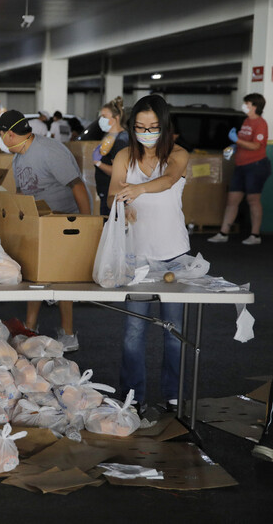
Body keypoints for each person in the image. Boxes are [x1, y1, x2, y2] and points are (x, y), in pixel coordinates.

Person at [108, 94, 190, 416]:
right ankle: (133, 396)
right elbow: (114, 190)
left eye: (153, 127)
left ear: (165, 126)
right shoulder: (123, 156)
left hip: (174, 255)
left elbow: (169, 180)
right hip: (136, 257)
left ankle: (172, 395)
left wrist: (138, 189)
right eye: (140, 127)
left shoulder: (178, 156)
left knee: (173, 333)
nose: (147, 132)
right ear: (132, 128)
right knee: (133, 333)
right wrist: (121, 204)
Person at [0, 109, 91, 351]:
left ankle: (68, 334)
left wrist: (88, 223)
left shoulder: (49, 151)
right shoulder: (19, 157)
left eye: (1, 135)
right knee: (34, 275)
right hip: (39, 222)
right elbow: (25, 193)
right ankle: (30, 327)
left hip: (64, 222)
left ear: (11, 135)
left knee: (63, 278)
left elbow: (76, 185)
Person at [208, 93, 270, 245]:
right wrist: (234, 146)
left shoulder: (260, 123)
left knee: (253, 200)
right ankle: (223, 232)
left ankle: (255, 235)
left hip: (256, 166)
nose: (244, 106)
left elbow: (256, 145)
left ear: (254, 106)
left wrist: (237, 140)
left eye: (246, 103)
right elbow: (244, 142)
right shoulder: (247, 121)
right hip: (241, 166)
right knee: (232, 199)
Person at [93, 96, 130, 215]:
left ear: (116, 118)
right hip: (106, 193)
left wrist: (98, 163)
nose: (101, 119)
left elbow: (118, 172)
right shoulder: (110, 136)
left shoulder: (121, 141)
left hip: (114, 196)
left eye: (104, 116)